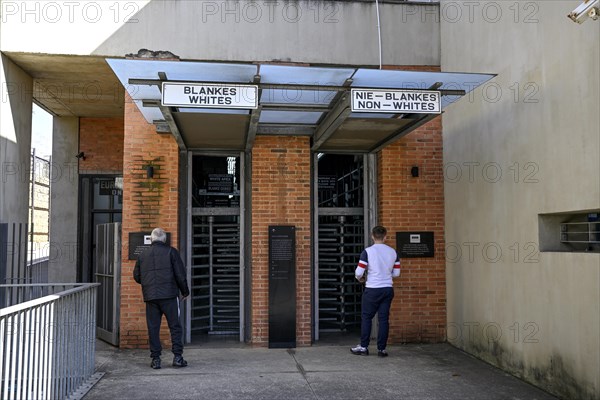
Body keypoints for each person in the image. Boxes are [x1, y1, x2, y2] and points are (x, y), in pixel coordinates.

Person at [134, 227, 190, 369]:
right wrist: (185, 292)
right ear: (164, 239)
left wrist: (149, 285)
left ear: (152, 239)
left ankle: (156, 360)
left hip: (151, 297)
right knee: (175, 327)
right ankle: (177, 357)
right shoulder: (171, 252)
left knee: (153, 328)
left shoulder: (142, 255)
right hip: (170, 296)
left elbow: (137, 276)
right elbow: (180, 275)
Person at [351, 225, 400, 357]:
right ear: (385, 237)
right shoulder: (393, 252)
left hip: (372, 289)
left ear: (372, 236)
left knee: (366, 318)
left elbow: (359, 272)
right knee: (383, 319)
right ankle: (382, 349)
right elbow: (396, 273)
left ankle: (364, 347)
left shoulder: (367, 252)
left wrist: (360, 279)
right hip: (387, 289)